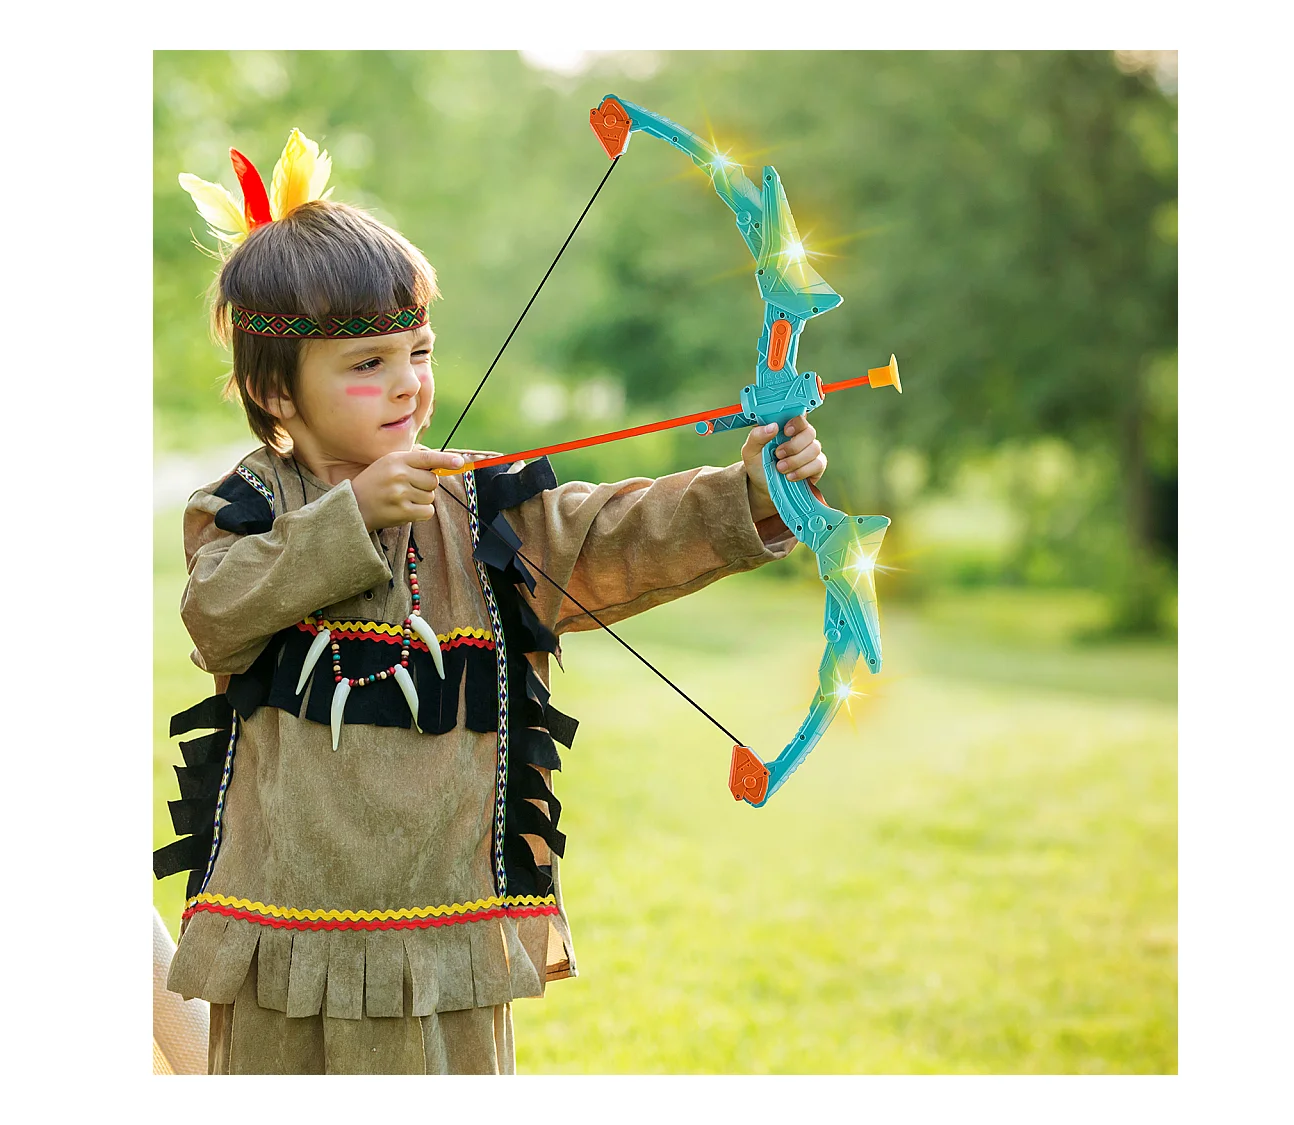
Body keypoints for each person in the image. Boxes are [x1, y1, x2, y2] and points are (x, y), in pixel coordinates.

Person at [155, 129, 829, 1074]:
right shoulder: (249, 509)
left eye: (418, 350)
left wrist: (751, 490)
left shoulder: (482, 507)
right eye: (366, 364)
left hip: (452, 937)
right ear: (277, 390)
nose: (407, 383)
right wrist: (352, 515)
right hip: (290, 940)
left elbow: (612, 533)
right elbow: (215, 611)